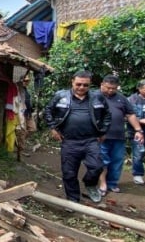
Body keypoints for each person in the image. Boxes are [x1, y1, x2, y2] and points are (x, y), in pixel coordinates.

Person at [45, 70, 111, 203]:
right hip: (69, 141)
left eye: (85, 85)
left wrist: (103, 131)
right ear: (72, 82)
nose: (82, 87)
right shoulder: (60, 96)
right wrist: (53, 128)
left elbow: (107, 115)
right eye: (79, 84)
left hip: (91, 140)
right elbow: (48, 110)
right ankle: (73, 200)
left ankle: (90, 184)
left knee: (97, 166)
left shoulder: (97, 97)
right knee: (69, 173)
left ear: (90, 85)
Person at [97, 75, 144, 195]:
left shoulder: (121, 98)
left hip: (118, 136)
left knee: (117, 161)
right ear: (102, 85)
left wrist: (138, 130)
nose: (111, 90)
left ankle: (112, 183)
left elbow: (130, 114)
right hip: (100, 136)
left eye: (114, 88)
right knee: (102, 160)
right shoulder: (94, 96)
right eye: (108, 88)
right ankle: (103, 184)